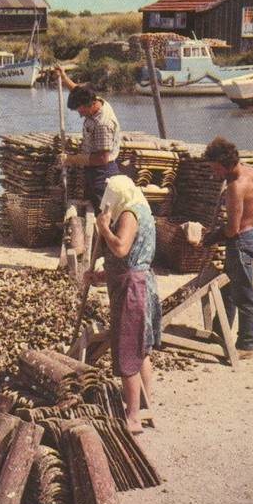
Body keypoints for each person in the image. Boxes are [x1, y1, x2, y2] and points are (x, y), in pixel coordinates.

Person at [84, 175, 161, 435]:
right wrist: (100, 276)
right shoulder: (142, 208)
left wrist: (104, 228)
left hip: (132, 290)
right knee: (142, 348)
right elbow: (131, 260)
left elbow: (121, 248)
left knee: (128, 349)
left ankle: (133, 416)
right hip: (137, 282)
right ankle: (145, 401)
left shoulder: (129, 214)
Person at [201, 137, 253, 360]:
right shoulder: (252, 172)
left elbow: (232, 230)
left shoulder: (235, 188)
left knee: (243, 293)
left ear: (224, 163)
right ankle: (220, 332)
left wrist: (212, 237)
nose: (214, 173)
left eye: (215, 168)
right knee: (228, 288)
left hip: (241, 241)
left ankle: (246, 344)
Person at [55, 66, 122, 212]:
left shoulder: (103, 124)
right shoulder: (94, 99)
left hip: (103, 172)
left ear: (90, 105)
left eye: (81, 110)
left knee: (102, 212)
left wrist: (71, 159)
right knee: (89, 209)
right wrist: (64, 77)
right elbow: (78, 90)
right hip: (92, 170)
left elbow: (101, 158)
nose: (80, 114)